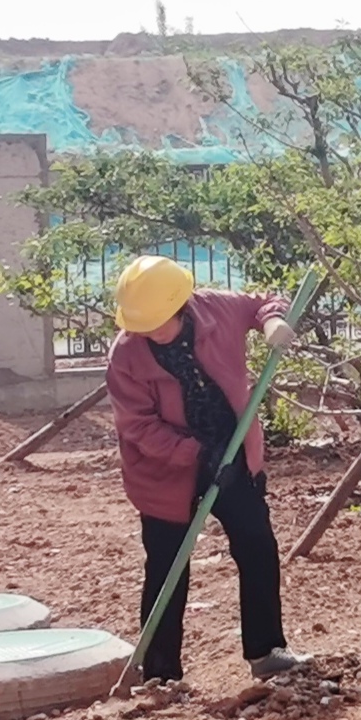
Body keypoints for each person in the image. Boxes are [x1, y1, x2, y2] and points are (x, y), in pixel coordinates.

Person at [104, 255, 306, 684]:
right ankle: (161, 674)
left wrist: (272, 320)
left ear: (180, 305)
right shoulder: (126, 354)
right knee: (167, 565)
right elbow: (138, 427)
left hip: (235, 454)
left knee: (257, 547)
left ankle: (266, 651)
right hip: (165, 472)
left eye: (157, 322)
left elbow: (263, 302)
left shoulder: (216, 308)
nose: (149, 332)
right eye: (142, 324)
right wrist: (198, 455)